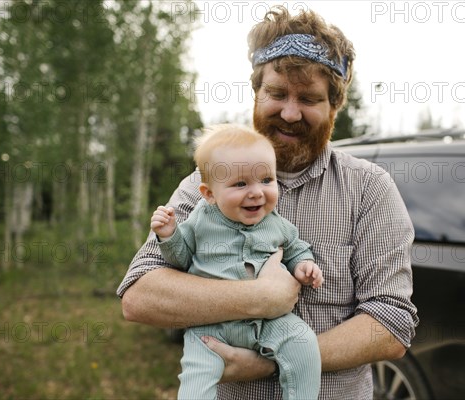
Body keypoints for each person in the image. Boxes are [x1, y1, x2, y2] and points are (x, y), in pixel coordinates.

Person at [118, 6, 419, 399]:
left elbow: (391, 325)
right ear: (257, 92)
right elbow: (141, 296)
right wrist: (259, 298)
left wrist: (271, 362)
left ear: (334, 106)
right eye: (277, 93)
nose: (290, 113)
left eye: (309, 98)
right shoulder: (206, 184)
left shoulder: (369, 189)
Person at [150, 124, 323, 399]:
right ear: (208, 194)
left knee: (303, 343)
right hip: (210, 326)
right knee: (196, 382)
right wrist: (169, 235)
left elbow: (295, 249)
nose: (256, 192)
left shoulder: (277, 224)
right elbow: (181, 258)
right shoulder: (201, 218)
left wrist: (304, 266)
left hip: (268, 321)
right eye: (240, 184)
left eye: (266, 180)